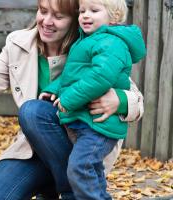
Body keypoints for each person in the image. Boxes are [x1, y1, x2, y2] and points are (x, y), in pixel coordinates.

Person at [0, 0, 143, 199]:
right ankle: (52, 185)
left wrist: (120, 100)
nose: (47, 21)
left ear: (73, 19)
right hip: (35, 149)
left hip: (79, 146)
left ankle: (71, 192)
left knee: (33, 111)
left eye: (58, 16)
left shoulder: (92, 44)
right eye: (43, 11)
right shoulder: (19, 43)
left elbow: (134, 97)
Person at [31, 0, 146, 198]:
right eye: (82, 11)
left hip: (98, 126)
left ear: (114, 17)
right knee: (91, 172)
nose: (85, 15)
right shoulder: (87, 40)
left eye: (94, 11)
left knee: (80, 168)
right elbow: (73, 74)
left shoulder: (112, 43)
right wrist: (54, 90)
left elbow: (99, 78)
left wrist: (68, 99)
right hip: (86, 123)